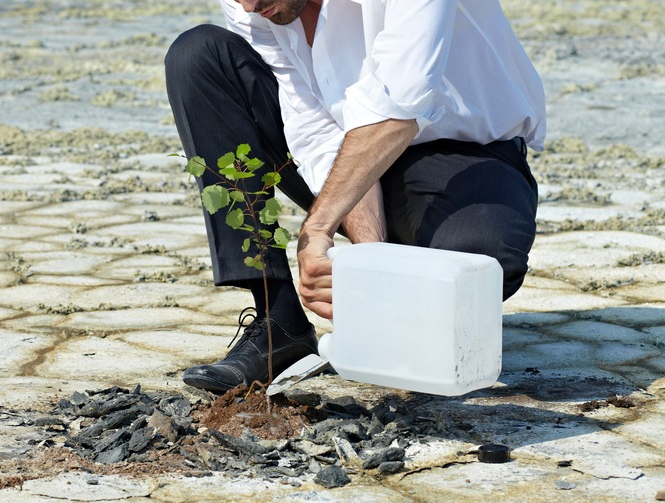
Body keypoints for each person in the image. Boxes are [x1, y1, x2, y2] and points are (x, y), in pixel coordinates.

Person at [164, 0, 545, 393]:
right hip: (349, 152)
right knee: (199, 56)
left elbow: (400, 105)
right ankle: (279, 327)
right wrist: (370, 264)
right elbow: (313, 125)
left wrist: (320, 228)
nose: (248, 5)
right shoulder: (253, 3)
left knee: (478, 267)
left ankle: (409, 308)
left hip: (460, 155)